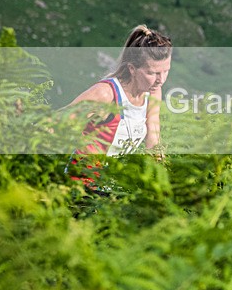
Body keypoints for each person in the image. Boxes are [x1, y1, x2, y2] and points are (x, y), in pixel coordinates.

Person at [66, 25, 172, 187]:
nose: (161, 80)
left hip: (113, 184)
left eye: (166, 71)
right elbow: (57, 123)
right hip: (83, 183)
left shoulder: (153, 92)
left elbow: (153, 135)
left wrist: (161, 178)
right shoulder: (105, 94)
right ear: (132, 69)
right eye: (152, 73)